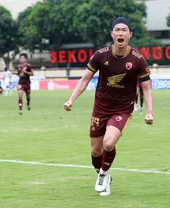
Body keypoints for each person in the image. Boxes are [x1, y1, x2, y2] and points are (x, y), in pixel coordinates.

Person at [63, 17, 154, 196]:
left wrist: (150, 112)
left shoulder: (138, 60)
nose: (120, 33)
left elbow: (147, 88)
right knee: (96, 151)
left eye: (124, 30)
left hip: (122, 109)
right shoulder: (100, 55)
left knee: (108, 142)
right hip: (101, 108)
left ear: (130, 34)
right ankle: (104, 174)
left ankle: (103, 173)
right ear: (112, 34)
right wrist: (71, 99)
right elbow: (85, 80)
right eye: (117, 30)